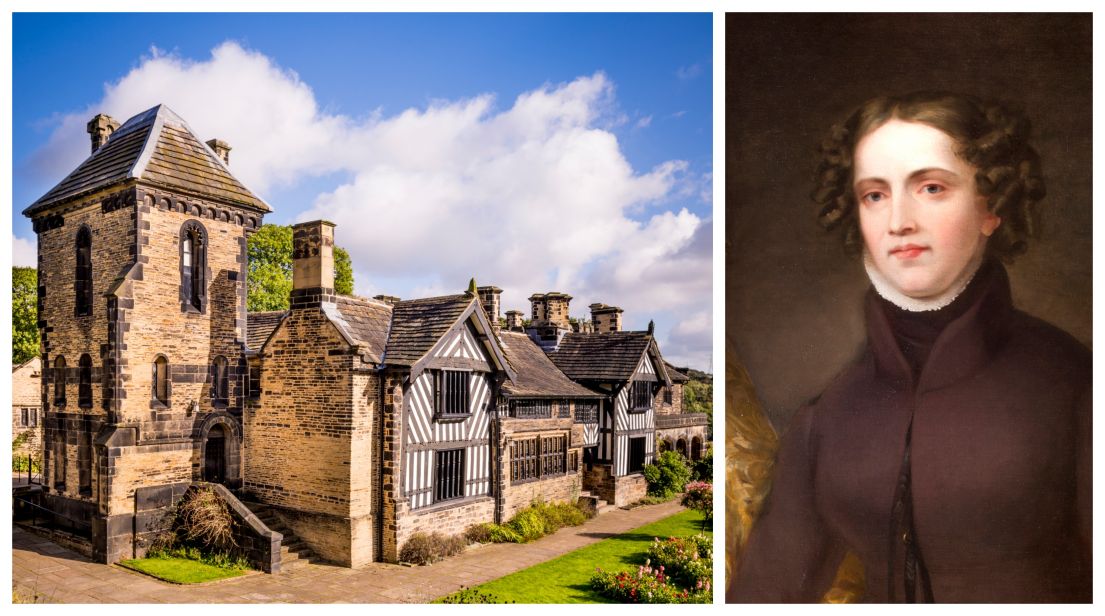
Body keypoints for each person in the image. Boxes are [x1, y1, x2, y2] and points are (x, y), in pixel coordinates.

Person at [727, 92, 1091, 603]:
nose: (899, 221)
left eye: (932, 188)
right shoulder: (828, 418)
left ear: (992, 207)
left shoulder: (1074, 386)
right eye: (875, 195)